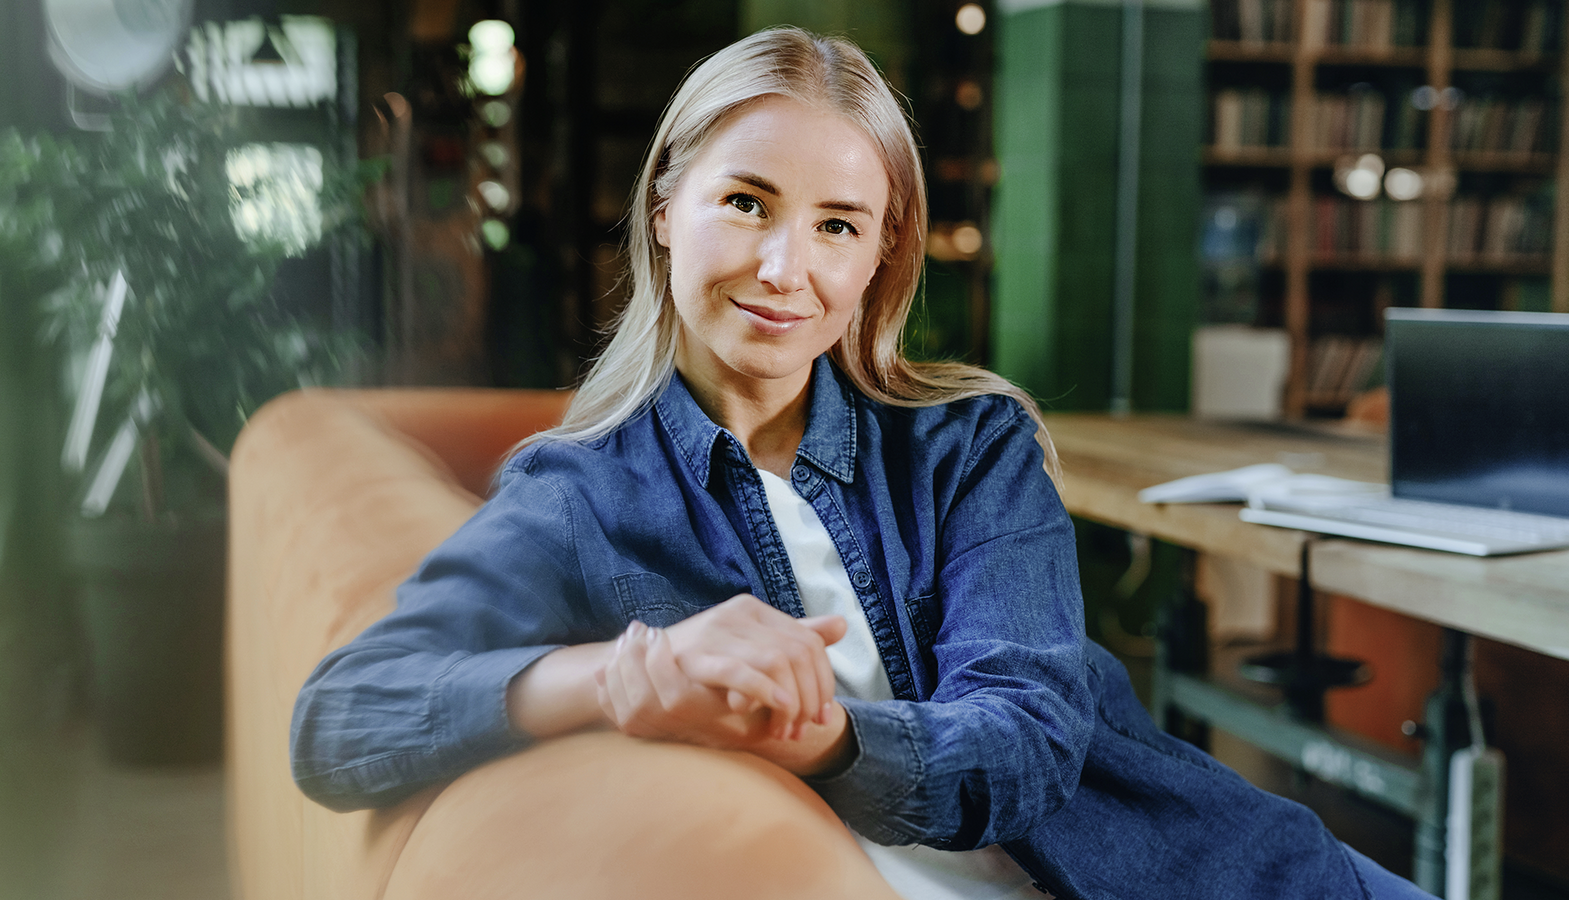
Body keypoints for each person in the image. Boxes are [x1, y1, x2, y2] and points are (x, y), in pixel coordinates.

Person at [291, 27, 1431, 900]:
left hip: (1196, 870)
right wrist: (621, 677)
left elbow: (1026, 745)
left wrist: (809, 735)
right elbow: (342, 719)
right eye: (746, 203)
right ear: (664, 211)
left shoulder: (970, 444)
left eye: (838, 224)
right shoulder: (580, 493)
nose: (787, 268)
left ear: (882, 249)